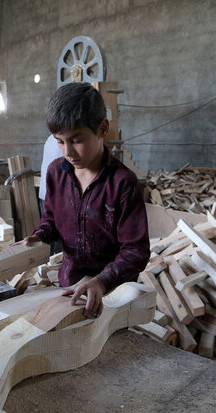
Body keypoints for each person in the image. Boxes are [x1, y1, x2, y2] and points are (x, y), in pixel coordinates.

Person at [23, 82, 150, 319]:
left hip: (113, 292)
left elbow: (136, 251)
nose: (67, 151)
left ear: (103, 128)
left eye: (76, 140)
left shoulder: (123, 183)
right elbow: (51, 217)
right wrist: (39, 234)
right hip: (70, 287)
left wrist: (101, 283)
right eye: (59, 141)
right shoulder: (55, 173)